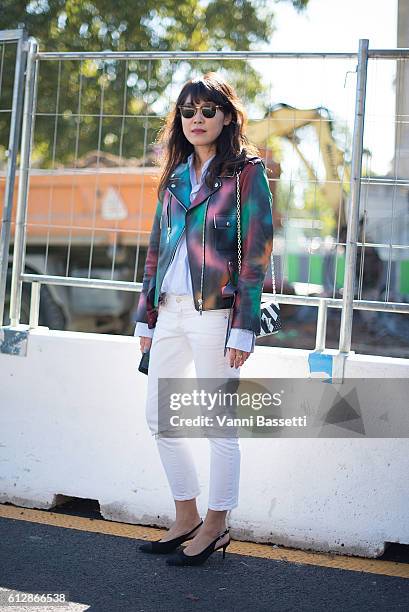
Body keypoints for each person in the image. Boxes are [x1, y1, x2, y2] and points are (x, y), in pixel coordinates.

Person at [134, 72, 273, 566]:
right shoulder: (173, 175)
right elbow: (155, 248)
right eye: (188, 112)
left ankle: (216, 524)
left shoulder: (246, 175)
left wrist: (244, 325)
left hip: (216, 315)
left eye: (207, 111)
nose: (197, 120)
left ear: (228, 117)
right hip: (167, 313)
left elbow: (255, 255)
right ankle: (186, 514)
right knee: (159, 419)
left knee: (219, 424)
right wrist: (145, 317)